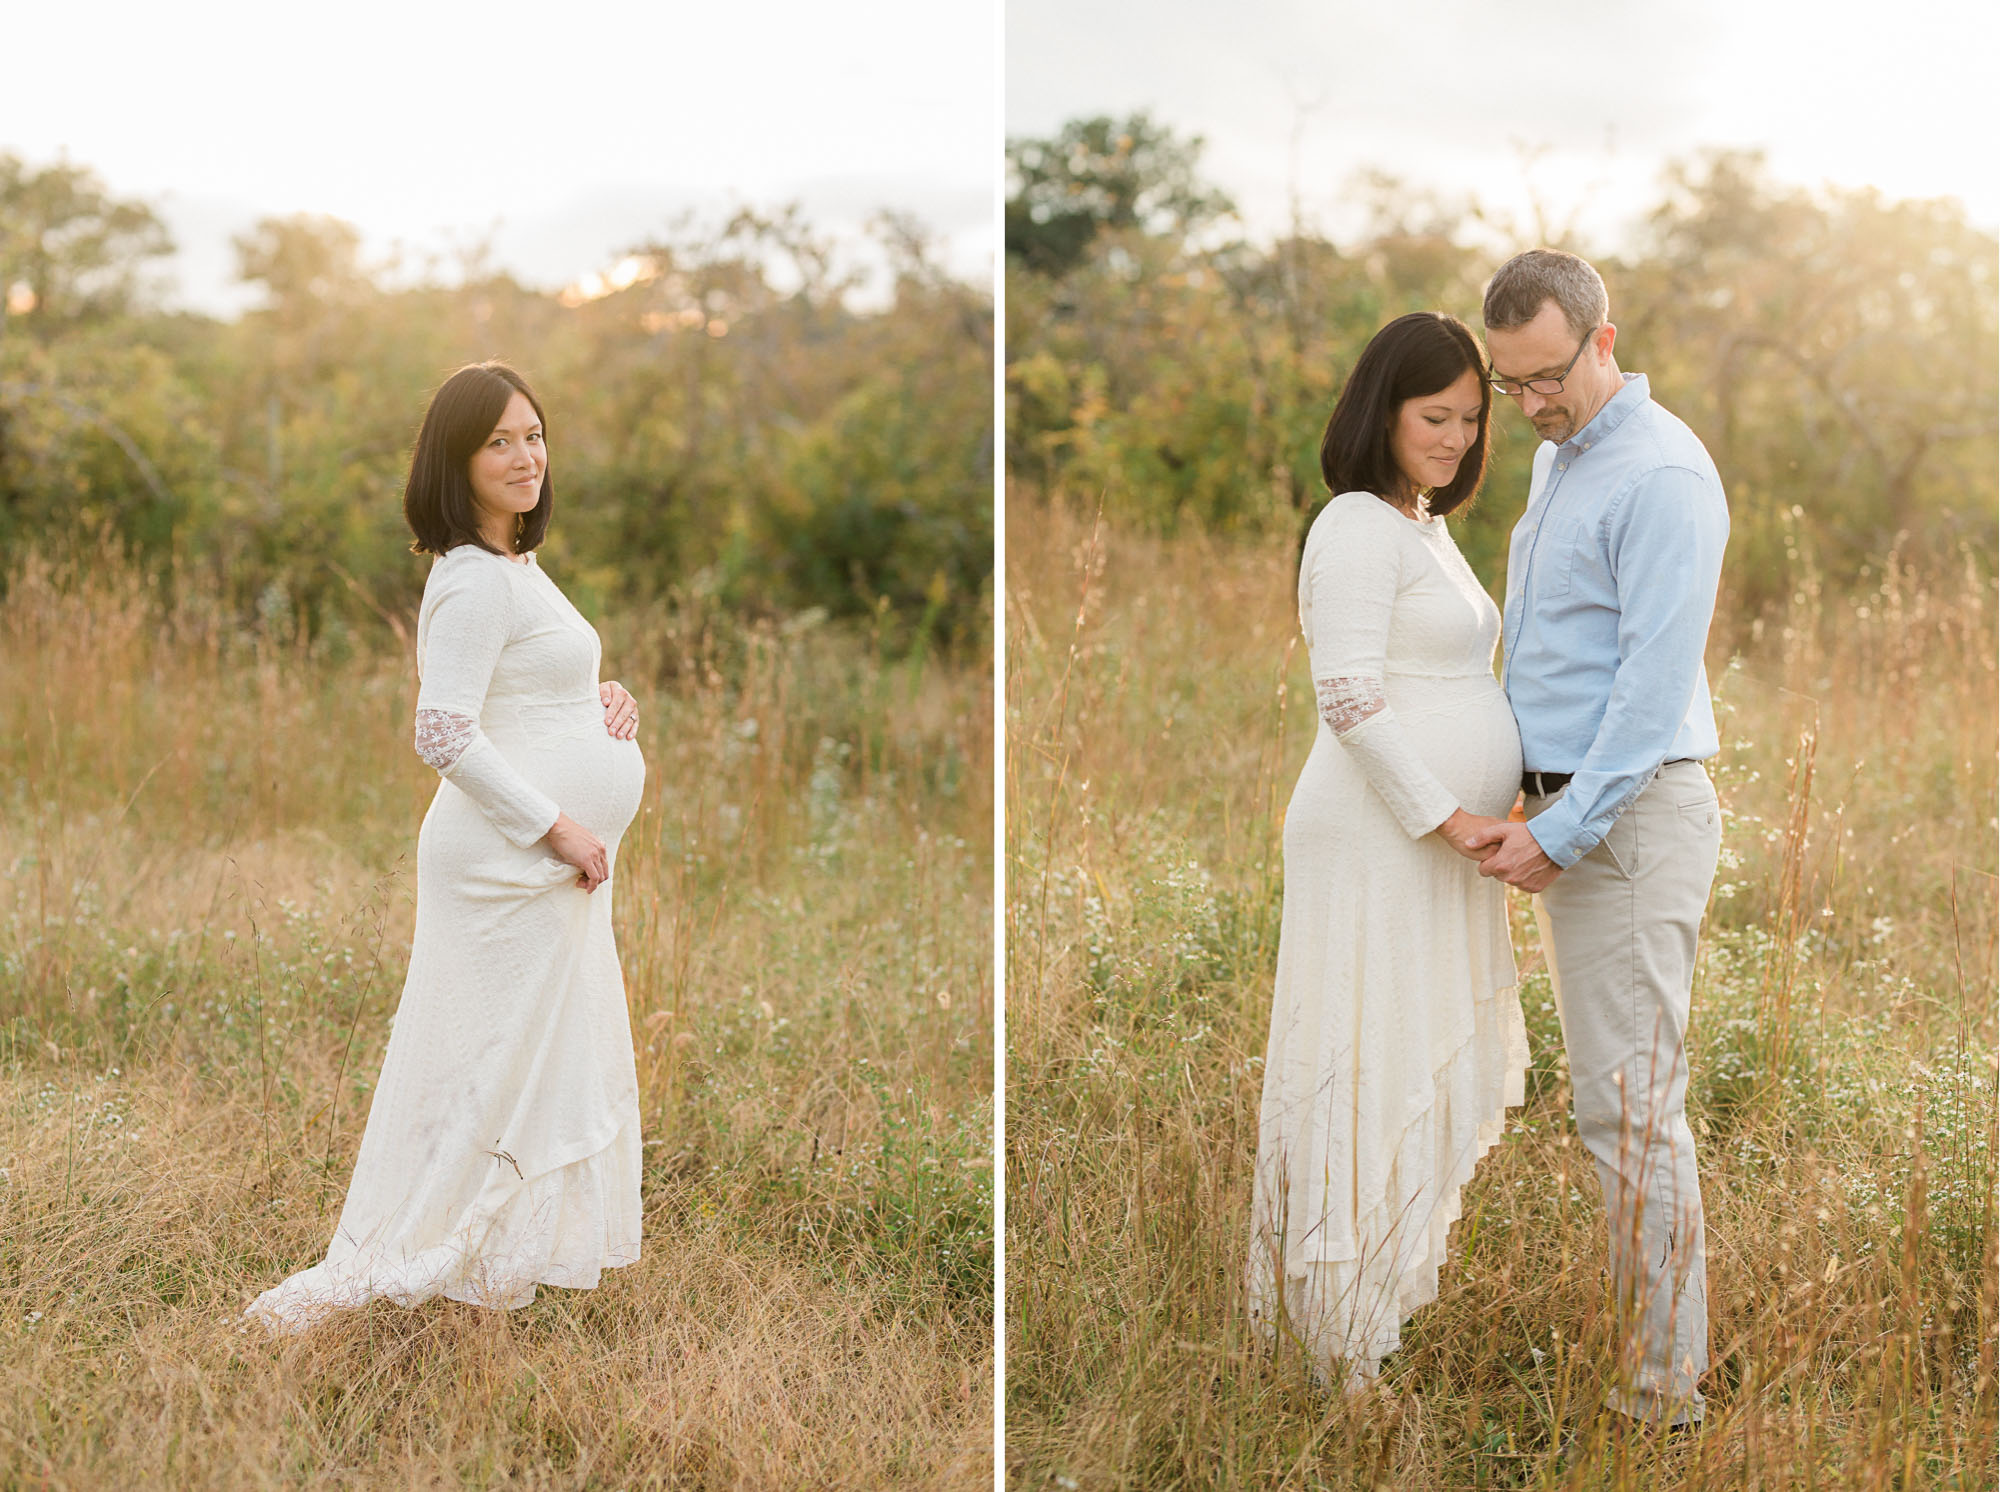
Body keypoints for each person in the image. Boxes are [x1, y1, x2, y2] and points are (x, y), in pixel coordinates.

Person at [247, 362, 648, 1334]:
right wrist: (556, 827)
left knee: (524, 1062)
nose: (526, 456)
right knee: (480, 1062)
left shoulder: (515, 565)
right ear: (456, 461)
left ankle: (494, 1270)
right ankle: (412, 1263)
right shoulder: (468, 575)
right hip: (507, 864)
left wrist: (600, 700)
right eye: (499, 441)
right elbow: (441, 731)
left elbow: (522, 690)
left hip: (542, 867)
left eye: (535, 435)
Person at [1469, 248, 1728, 1431]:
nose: (1528, 403)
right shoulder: (1555, 457)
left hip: (1623, 819)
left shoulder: (1661, 475)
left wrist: (1559, 832)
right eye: (1507, 382)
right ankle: (1652, 1369)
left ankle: (1658, 1398)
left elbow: (1648, 689)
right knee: (1610, 1104)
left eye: (1544, 377)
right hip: (1571, 812)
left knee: (1628, 1108)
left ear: (1602, 337)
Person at [1247, 311, 1530, 1392]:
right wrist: (1451, 819)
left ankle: (1368, 1312)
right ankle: (1330, 1336)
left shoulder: (1419, 523)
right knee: (1362, 1059)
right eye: (1432, 415)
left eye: (1468, 418)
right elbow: (1351, 699)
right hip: (1378, 837)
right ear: (1381, 409)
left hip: (1428, 851)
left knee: (1402, 1053)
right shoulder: (1357, 525)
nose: (1454, 438)